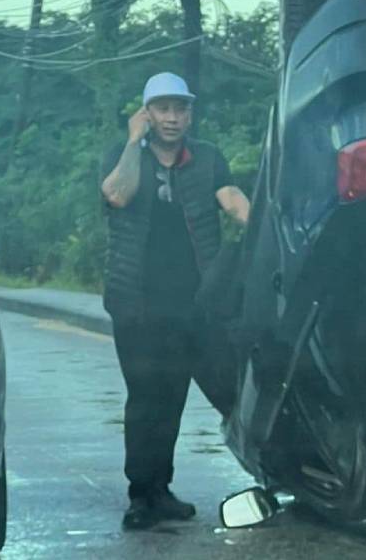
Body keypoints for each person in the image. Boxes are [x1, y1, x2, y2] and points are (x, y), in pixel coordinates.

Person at [99, 72, 251, 530]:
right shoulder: (122, 156)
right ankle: (139, 495)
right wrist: (132, 143)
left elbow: (233, 200)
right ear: (147, 113)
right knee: (145, 397)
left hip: (194, 303)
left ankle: (160, 489)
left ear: (190, 114)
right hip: (134, 301)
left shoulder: (206, 159)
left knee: (174, 397)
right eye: (162, 108)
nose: (172, 117)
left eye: (180, 108)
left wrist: (265, 225)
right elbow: (117, 194)